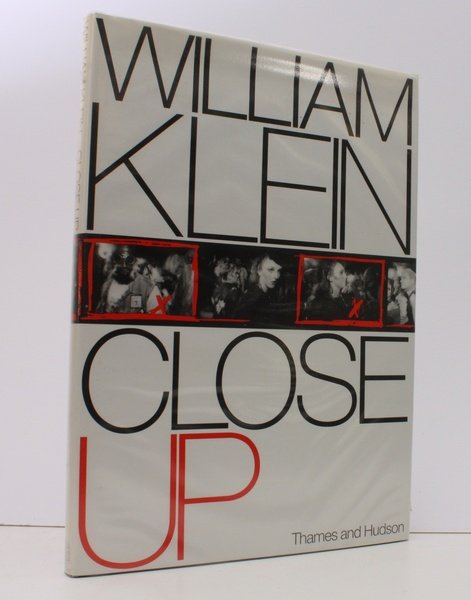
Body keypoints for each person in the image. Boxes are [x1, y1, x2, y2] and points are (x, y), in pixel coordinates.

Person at [234, 254, 282, 322]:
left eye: (279, 270)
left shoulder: (266, 293)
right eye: (271, 269)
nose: (277, 276)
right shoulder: (253, 299)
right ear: (259, 270)